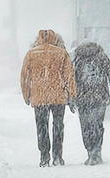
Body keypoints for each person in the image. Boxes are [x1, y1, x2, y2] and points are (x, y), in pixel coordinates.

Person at [20, 29, 77, 167]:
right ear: (55, 39)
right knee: (58, 126)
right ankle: (57, 156)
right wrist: (72, 95)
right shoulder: (61, 53)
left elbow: (25, 77)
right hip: (58, 96)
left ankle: (44, 156)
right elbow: (69, 75)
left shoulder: (31, 54)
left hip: (39, 97)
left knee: (41, 127)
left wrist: (26, 94)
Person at [70, 40, 110, 165]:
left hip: (83, 98)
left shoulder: (78, 58)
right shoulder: (101, 55)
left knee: (86, 125)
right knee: (97, 124)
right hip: (100, 97)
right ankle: (96, 151)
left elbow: (71, 79)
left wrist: (71, 98)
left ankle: (90, 151)